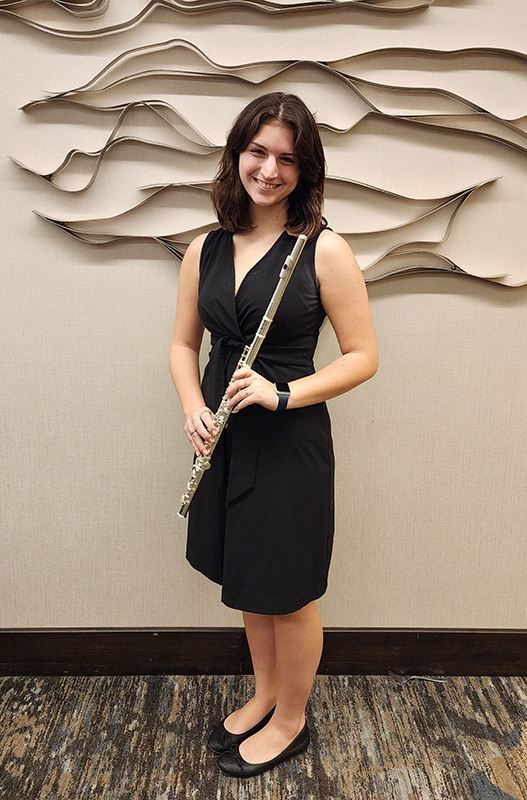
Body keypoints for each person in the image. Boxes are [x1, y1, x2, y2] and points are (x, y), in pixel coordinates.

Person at [169, 92, 378, 778]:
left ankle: (291, 718)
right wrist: (191, 406)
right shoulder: (206, 246)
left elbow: (362, 356)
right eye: (257, 151)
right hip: (223, 436)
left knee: (287, 589)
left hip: (288, 443)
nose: (269, 169)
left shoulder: (324, 250)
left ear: (305, 169)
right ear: (236, 153)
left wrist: (281, 392)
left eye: (287, 158)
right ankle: (264, 693)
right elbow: (180, 344)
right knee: (247, 576)